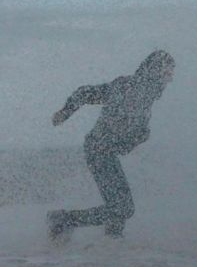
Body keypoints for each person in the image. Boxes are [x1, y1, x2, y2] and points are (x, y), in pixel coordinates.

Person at [47, 50, 175, 241]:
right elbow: (85, 93)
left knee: (119, 206)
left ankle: (112, 241)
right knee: (123, 208)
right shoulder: (128, 86)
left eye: (171, 74)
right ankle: (65, 219)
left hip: (106, 151)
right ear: (154, 71)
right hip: (99, 150)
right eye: (167, 73)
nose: (170, 79)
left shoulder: (144, 94)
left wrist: (137, 137)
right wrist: (65, 112)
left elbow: (126, 135)